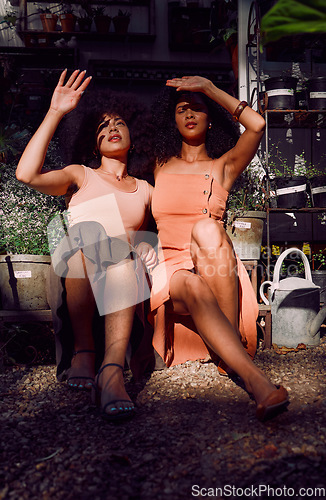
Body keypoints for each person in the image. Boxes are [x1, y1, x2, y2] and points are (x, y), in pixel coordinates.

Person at [16, 69, 157, 421]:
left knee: (121, 251)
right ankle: (84, 349)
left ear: (133, 136)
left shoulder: (145, 188)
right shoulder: (82, 174)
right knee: (87, 233)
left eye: (119, 123)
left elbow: (165, 232)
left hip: (123, 278)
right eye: (101, 126)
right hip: (77, 270)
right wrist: (55, 112)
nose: (111, 128)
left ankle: (109, 370)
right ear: (93, 143)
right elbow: (26, 175)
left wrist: (145, 245)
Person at [149, 75, 289, 421]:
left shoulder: (222, 167)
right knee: (190, 279)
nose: (190, 114)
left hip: (215, 264)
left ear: (211, 118)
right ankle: (256, 380)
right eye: (182, 109)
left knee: (207, 228)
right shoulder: (157, 164)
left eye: (198, 108)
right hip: (172, 271)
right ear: (173, 119)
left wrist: (209, 89)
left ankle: (230, 351)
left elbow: (255, 125)